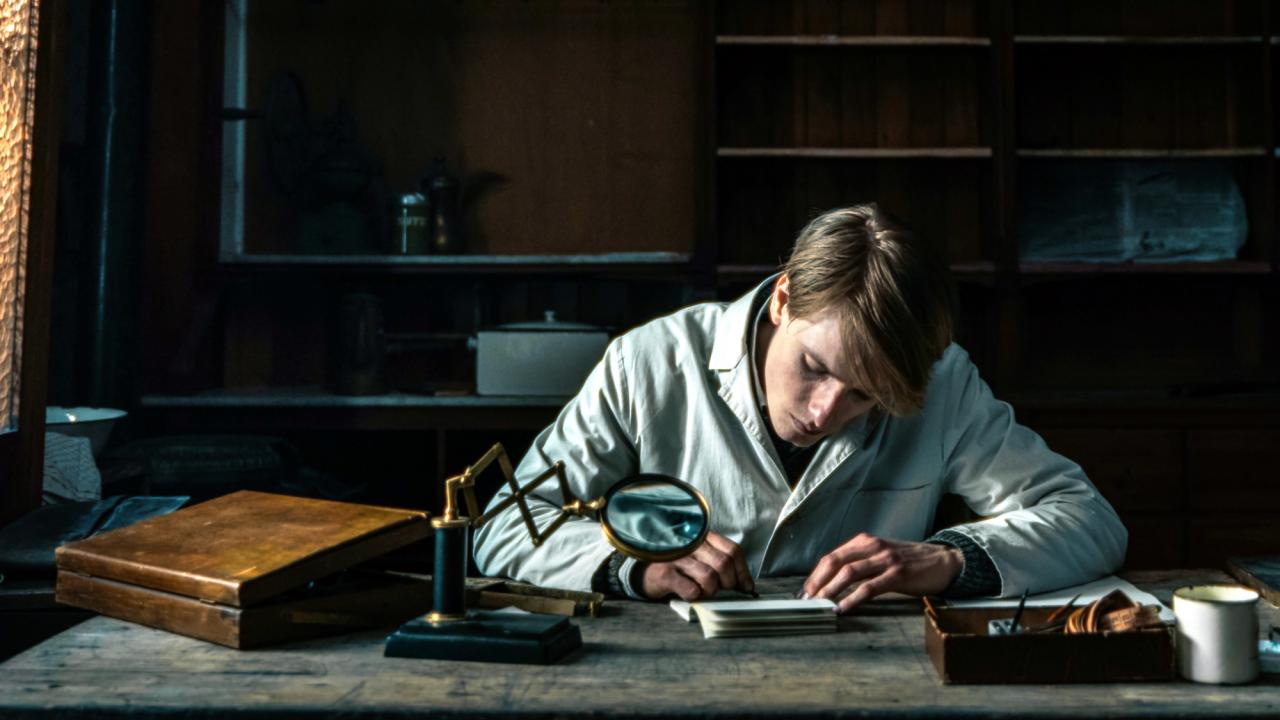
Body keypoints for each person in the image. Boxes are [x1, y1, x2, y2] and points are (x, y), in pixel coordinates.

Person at [474, 203, 1127, 613]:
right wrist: (631, 566)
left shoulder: (946, 383)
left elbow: (1090, 521)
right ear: (784, 299)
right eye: (815, 368)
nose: (822, 414)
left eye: (866, 397)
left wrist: (953, 559)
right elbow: (505, 527)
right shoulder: (646, 364)